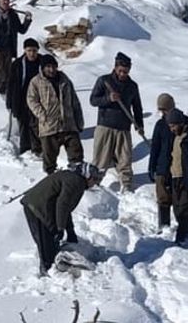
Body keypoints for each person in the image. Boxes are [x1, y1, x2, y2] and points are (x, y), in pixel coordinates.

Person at [20, 162, 103, 276]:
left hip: (41, 207)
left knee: (51, 241)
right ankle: (47, 272)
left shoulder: (74, 179)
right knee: (46, 244)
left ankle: (53, 266)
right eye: (95, 179)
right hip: (38, 208)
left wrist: (69, 230)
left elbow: (66, 208)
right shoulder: (76, 182)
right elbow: (62, 205)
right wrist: (60, 228)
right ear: (88, 176)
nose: (96, 183)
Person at [151, 108, 188, 245]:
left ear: (180, 123)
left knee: (186, 209)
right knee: (178, 209)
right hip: (174, 177)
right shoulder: (175, 137)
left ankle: (182, 240)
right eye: (169, 126)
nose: (171, 129)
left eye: (173, 126)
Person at [89, 52, 144, 192]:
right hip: (105, 125)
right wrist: (108, 98)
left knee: (125, 159)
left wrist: (140, 125)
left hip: (124, 127)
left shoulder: (132, 86)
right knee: (101, 159)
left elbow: (137, 107)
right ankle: (94, 183)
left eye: (125, 71)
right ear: (115, 67)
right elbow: (93, 100)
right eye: (120, 71)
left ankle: (126, 184)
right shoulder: (104, 81)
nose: (122, 74)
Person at [26, 55, 85, 175]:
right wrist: (42, 115)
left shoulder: (65, 80)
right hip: (49, 127)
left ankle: (76, 177)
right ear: (42, 68)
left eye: (53, 66)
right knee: (50, 159)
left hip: (68, 124)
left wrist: (79, 121)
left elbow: (75, 101)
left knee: (76, 154)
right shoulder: (36, 82)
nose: (51, 69)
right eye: (48, 67)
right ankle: (51, 180)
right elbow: (31, 100)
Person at [7, 38, 48, 156]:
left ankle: (38, 148)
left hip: (39, 98)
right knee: (24, 123)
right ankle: (25, 148)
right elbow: (11, 84)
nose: (32, 53)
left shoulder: (43, 63)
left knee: (38, 123)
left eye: (34, 51)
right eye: (29, 50)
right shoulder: (18, 64)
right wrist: (10, 102)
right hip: (21, 99)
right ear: (25, 50)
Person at [148, 93, 177, 228]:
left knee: (178, 199)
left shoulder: (181, 123)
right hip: (162, 166)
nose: (163, 113)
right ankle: (164, 226)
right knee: (163, 198)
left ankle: (181, 226)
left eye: (165, 109)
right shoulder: (160, 125)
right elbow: (155, 147)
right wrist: (152, 166)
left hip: (178, 167)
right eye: (161, 110)